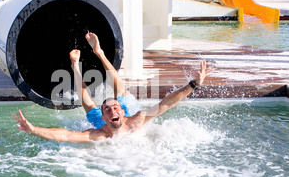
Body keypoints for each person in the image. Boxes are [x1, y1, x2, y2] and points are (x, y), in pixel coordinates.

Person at [13, 32, 213, 143]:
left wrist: (194, 84)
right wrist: (34, 130)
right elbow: (66, 135)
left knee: (119, 92)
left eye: (115, 108)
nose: (112, 111)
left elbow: (166, 105)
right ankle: (76, 66)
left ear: (122, 113)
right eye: (108, 110)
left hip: (125, 106)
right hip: (99, 118)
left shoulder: (136, 119)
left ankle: (98, 53)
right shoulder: (99, 133)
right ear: (105, 117)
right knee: (89, 105)